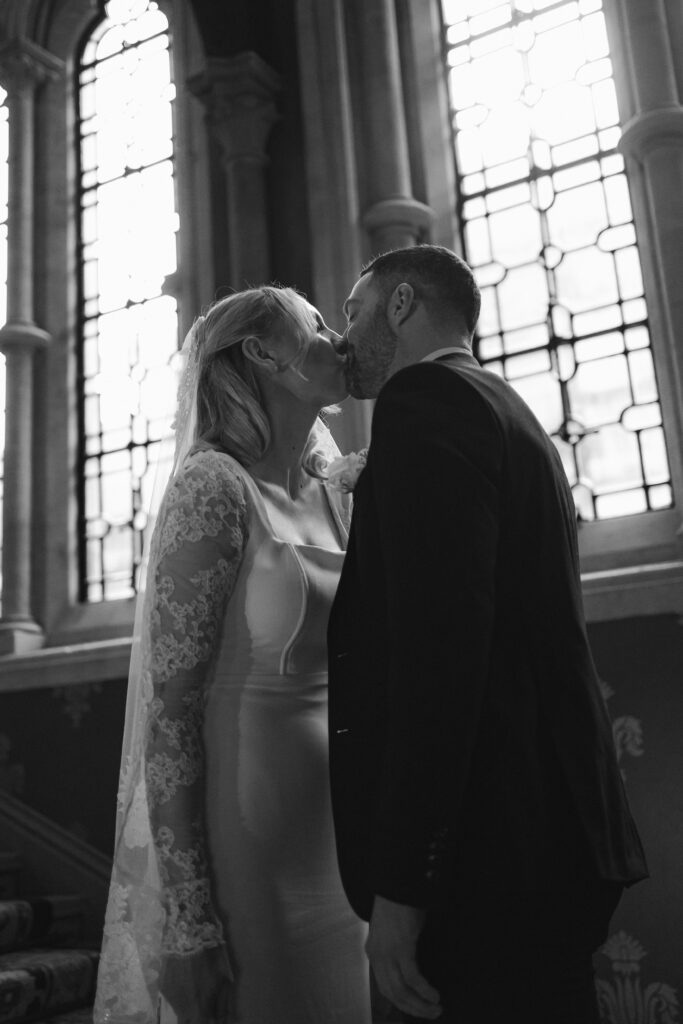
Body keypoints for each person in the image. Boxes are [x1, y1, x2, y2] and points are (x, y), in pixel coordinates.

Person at [327, 245, 648, 1024]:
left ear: (400, 305)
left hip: (486, 849)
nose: (342, 339)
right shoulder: (510, 410)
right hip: (550, 826)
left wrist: (404, 884)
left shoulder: (422, 403)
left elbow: (441, 660)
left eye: (353, 312)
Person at [94, 286, 372, 1024]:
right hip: (249, 839)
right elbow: (169, 716)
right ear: (260, 353)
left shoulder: (336, 491)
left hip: (345, 834)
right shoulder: (213, 487)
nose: (337, 337)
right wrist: (189, 914)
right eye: (314, 325)